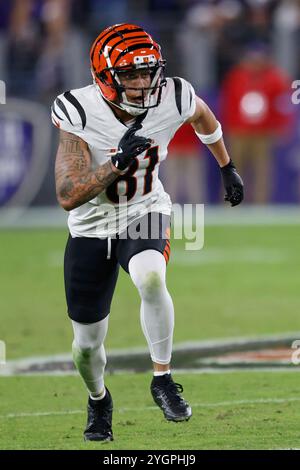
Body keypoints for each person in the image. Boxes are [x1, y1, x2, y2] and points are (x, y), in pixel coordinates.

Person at [51, 23, 243, 442]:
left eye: (147, 72)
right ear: (104, 76)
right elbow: (68, 194)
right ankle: (99, 399)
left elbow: (203, 116)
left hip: (145, 209)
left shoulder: (172, 94)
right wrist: (115, 164)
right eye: (130, 75)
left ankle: (163, 378)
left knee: (151, 276)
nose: (142, 84)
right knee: (86, 345)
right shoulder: (78, 110)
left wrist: (226, 165)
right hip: (91, 226)